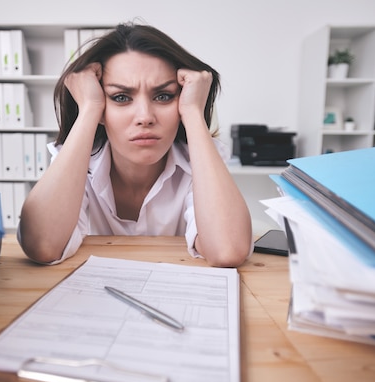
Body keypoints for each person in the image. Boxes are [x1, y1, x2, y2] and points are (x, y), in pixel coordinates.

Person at [18, 22, 252, 267]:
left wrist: (194, 112)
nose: (145, 117)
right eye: (121, 97)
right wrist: (89, 109)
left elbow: (227, 251)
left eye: (163, 96)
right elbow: (42, 246)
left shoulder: (199, 159)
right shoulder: (81, 159)